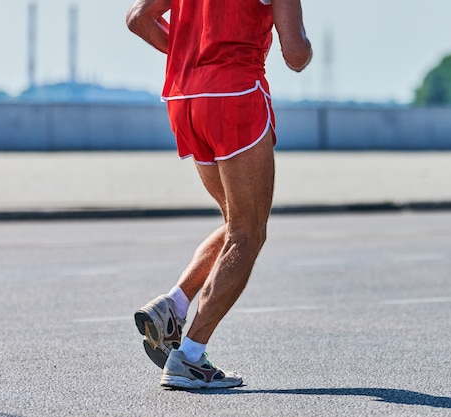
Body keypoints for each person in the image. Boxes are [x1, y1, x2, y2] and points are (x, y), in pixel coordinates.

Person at [125, 0, 312, 390]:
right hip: (235, 96)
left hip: (184, 99)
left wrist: (189, 55)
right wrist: (307, 47)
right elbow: (295, 54)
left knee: (235, 222)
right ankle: (189, 356)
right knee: (248, 233)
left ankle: (173, 306)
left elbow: (138, 19)